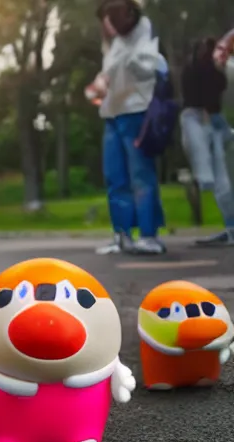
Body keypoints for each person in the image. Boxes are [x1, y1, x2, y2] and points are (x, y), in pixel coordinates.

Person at [88, 0, 167, 255]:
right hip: (111, 113)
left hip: (135, 111)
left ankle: (149, 235)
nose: (106, 25)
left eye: (110, 18)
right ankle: (122, 234)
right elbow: (108, 74)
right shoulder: (112, 44)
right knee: (115, 178)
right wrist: (98, 84)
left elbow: (147, 70)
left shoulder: (142, 29)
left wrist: (123, 58)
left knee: (141, 176)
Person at [180, 37, 234, 246]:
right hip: (207, 120)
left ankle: (230, 226)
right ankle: (230, 225)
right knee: (223, 179)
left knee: (224, 178)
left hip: (209, 121)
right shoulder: (209, 73)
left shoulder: (208, 71)